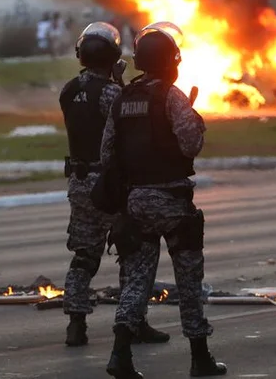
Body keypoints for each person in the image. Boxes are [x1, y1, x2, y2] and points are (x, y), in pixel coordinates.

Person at [102, 22, 227, 378]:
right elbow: (191, 145)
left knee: (137, 279)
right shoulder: (171, 96)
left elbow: (106, 151)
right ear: (170, 61)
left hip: (136, 202)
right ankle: (200, 358)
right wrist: (193, 115)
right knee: (189, 280)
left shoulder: (123, 97)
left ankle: (120, 355)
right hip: (171, 200)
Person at [59, 23, 169, 348]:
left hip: (80, 183)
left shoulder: (68, 90)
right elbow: (123, 120)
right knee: (132, 252)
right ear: (113, 56)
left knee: (84, 254)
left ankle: (76, 323)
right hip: (111, 182)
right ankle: (134, 322)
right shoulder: (112, 92)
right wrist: (118, 80)